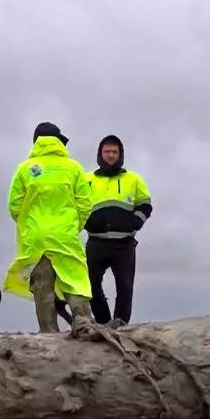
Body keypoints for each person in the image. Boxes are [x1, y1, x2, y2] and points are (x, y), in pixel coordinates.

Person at [3, 122, 95, 333]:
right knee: (75, 280)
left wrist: (30, 226)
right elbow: (85, 204)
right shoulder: (74, 168)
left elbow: (14, 206)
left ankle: (48, 333)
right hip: (65, 235)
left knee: (42, 288)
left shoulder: (25, 168)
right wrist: (73, 226)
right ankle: (84, 324)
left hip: (36, 238)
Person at [84, 134, 153, 327]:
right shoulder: (86, 179)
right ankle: (104, 322)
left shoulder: (133, 178)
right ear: (100, 154)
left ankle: (120, 324)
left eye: (115, 152)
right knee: (90, 286)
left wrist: (135, 222)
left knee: (124, 287)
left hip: (124, 244)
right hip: (96, 242)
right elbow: (76, 205)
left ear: (120, 154)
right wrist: (86, 222)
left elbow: (146, 204)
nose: (111, 155)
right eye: (107, 151)